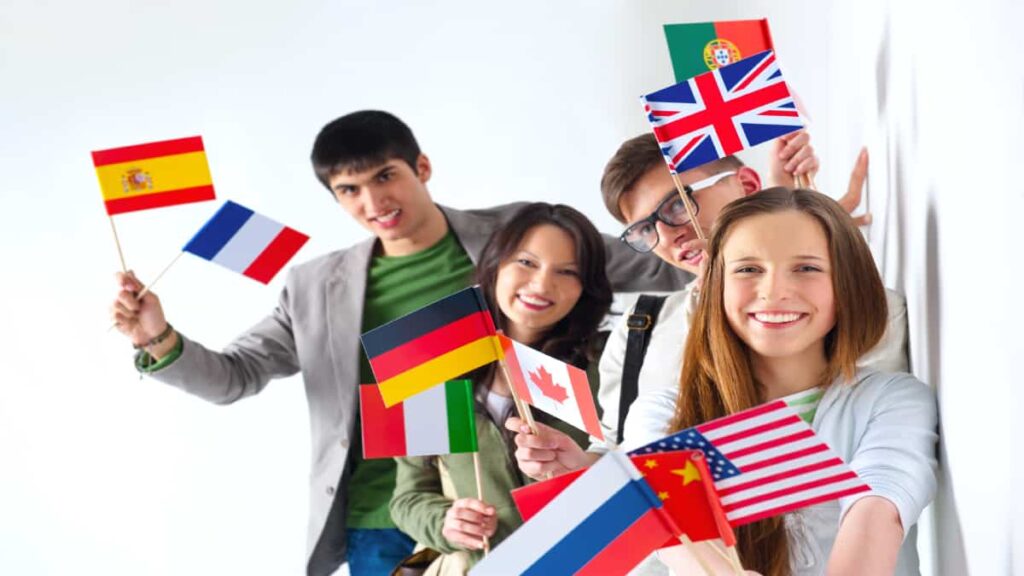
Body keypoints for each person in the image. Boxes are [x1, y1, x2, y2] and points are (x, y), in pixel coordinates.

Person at [109, 110, 691, 576]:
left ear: (421, 167)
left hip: (526, 495)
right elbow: (237, 375)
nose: (374, 202)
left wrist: (754, 220)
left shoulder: (523, 236)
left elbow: (674, 267)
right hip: (385, 508)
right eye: (350, 190)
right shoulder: (316, 286)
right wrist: (157, 338)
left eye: (385, 176)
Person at [507, 136, 908, 480]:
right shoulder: (639, 328)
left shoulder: (840, 306)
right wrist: (579, 466)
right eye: (646, 228)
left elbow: (877, 421)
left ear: (748, 185)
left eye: (679, 204)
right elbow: (618, 450)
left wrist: (812, 235)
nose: (668, 235)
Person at [628, 188, 938, 574]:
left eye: (807, 268)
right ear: (714, 287)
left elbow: (877, 509)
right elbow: (673, 522)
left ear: (847, 284)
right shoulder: (661, 412)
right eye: (748, 269)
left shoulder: (891, 401)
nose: (774, 292)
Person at [389, 203, 611, 574]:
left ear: (585, 287)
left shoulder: (605, 363)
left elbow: (638, 464)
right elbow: (408, 496)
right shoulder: (438, 372)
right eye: (526, 262)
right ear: (496, 264)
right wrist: (446, 522)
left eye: (567, 271)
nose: (541, 284)